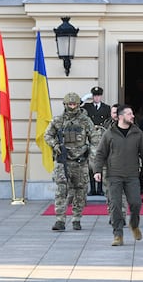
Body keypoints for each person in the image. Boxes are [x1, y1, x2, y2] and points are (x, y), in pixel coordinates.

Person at [94, 104, 143, 246]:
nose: (132, 116)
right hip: (114, 175)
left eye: (132, 113)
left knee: (136, 203)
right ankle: (118, 234)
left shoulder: (137, 133)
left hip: (132, 175)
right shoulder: (109, 133)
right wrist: (97, 170)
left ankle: (134, 224)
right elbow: (101, 153)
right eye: (129, 114)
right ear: (120, 117)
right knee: (115, 205)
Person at [44, 92, 98, 232]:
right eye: (70, 104)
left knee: (80, 191)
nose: (72, 107)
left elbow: (95, 140)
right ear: (65, 105)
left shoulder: (86, 121)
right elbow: (47, 135)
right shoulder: (58, 120)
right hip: (63, 162)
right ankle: (60, 219)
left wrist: (92, 158)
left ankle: (76, 219)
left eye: (74, 104)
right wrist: (55, 145)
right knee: (61, 190)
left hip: (80, 162)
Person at [102, 103, 128, 226]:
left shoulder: (130, 126)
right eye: (114, 113)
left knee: (122, 192)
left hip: (124, 164)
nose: (116, 115)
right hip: (108, 165)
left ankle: (121, 215)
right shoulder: (105, 127)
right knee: (110, 192)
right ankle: (112, 214)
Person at [82, 86, 111, 196]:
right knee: (91, 164)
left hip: (102, 137)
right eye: (94, 96)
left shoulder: (106, 108)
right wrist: (83, 99)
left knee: (101, 164)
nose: (96, 98)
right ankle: (92, 188)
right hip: (91, 137)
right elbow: (76, 110)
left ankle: (100, 189)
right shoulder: (87, 107)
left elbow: (108, 122)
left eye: (98, 96)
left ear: (101, 96)